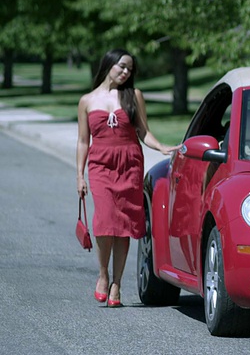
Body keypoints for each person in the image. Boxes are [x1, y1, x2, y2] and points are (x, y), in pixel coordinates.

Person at [76, 49, 180, 307]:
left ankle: (117, 284)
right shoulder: (87, 101)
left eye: (129, 69)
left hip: (129, 163)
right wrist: (79, 175)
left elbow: (143, 132)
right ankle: (102, 275)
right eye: (122, 66)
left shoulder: (134, 96)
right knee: (104, 219)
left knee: (122, 224)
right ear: (109, 64)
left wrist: (162, 147)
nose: (125, 72)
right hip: (100, 164)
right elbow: (82, 141)